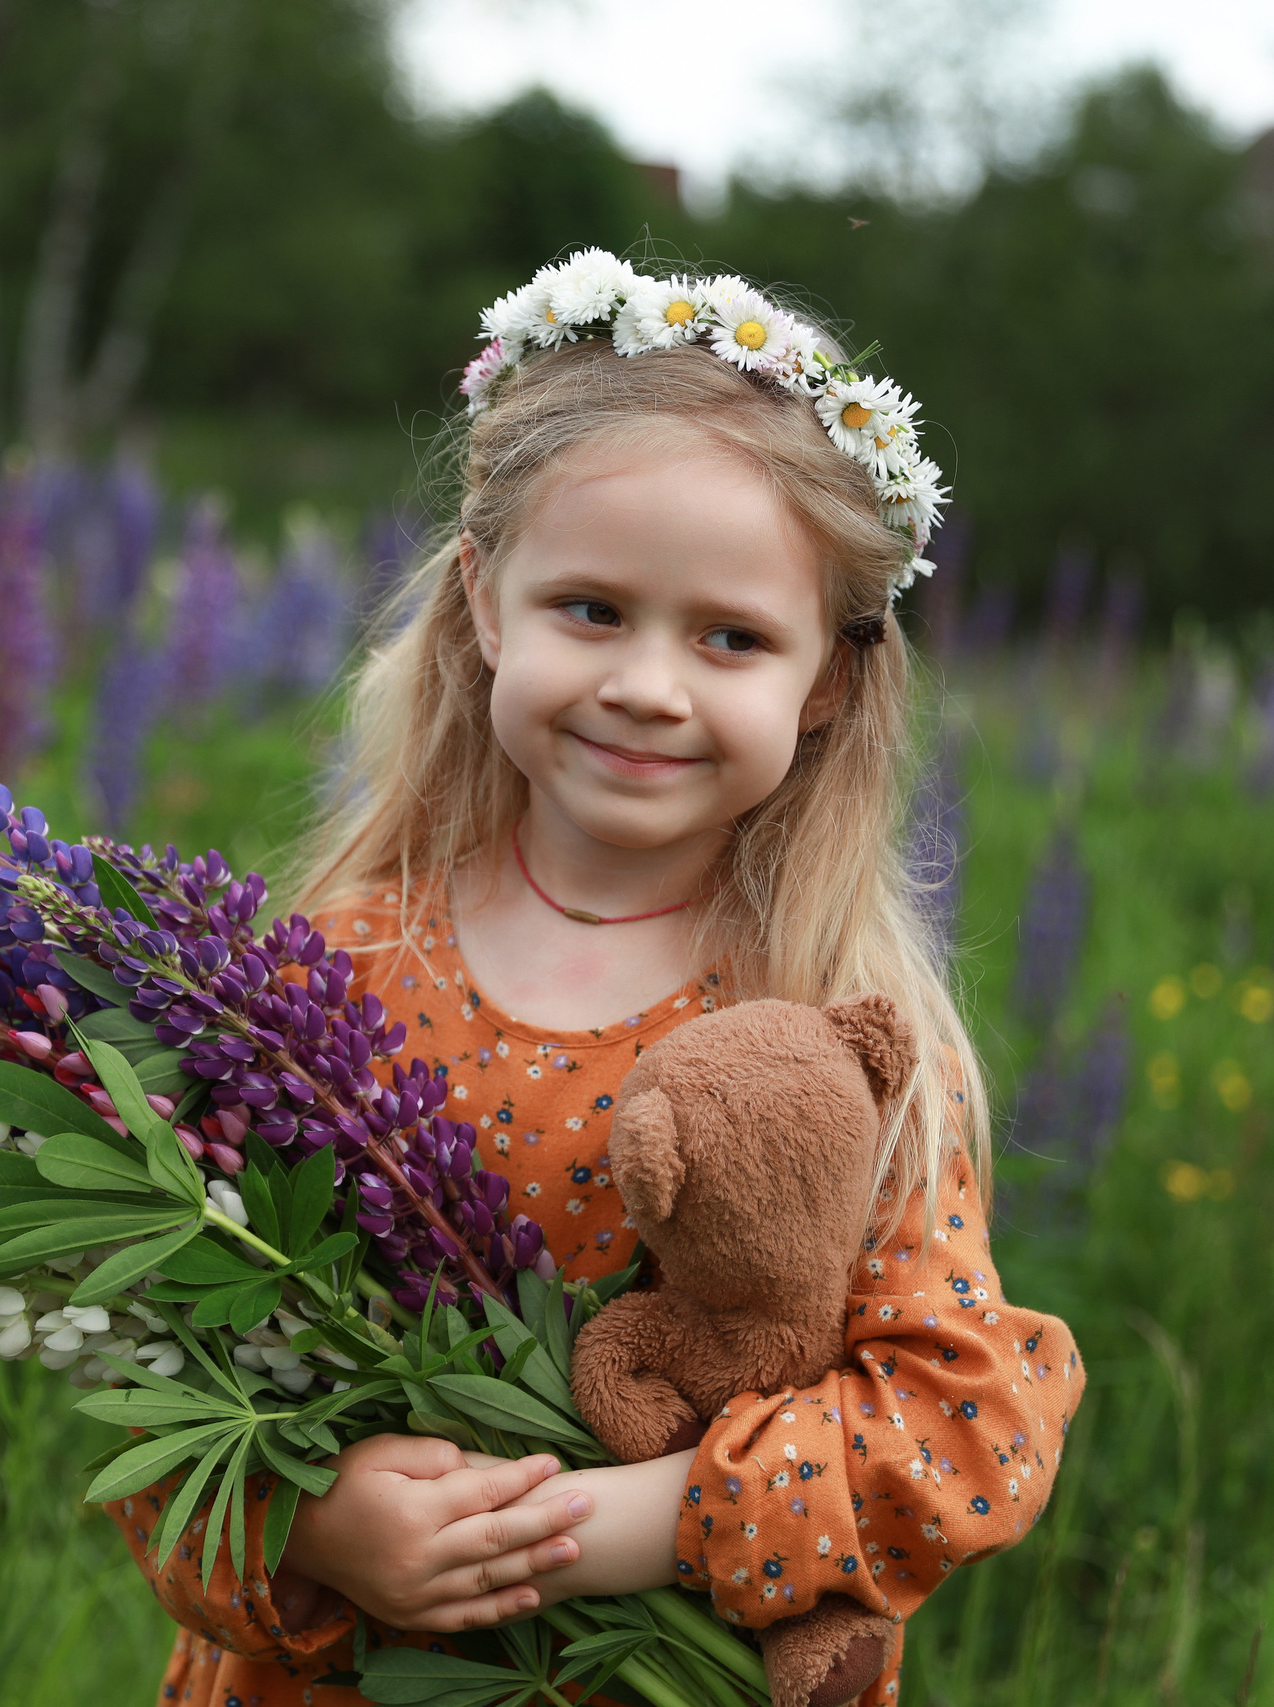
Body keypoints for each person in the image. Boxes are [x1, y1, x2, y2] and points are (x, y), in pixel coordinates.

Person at [103, 252, 1083, 1707]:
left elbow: (965, 1424)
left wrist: (652, 1520)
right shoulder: (326, 975)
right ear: (486, 603)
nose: (649, 684)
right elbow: (163, 1389)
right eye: (593, 610)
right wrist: (317, 1521)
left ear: (823, 683)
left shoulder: (831, 1022)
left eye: (732, 637)